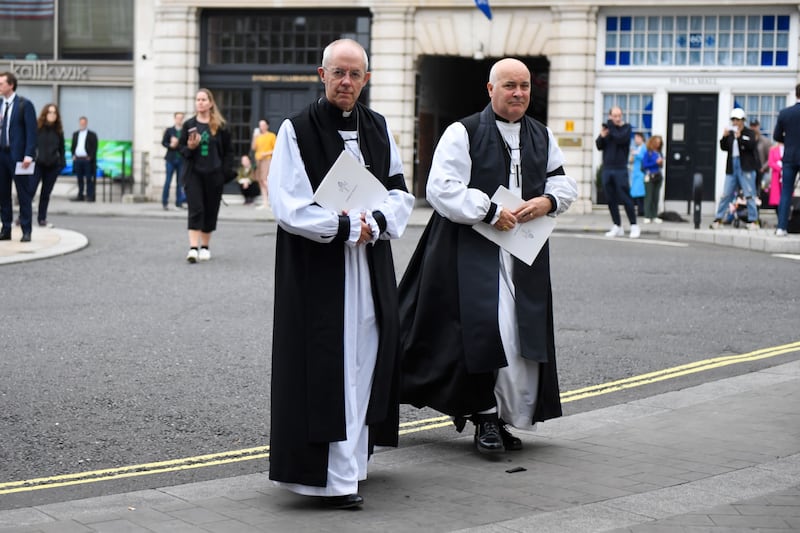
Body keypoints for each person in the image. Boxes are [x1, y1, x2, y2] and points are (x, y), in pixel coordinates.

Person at [398, 58, 577, 458]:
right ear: (490, 89)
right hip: (472, 249)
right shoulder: (463, 131)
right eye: (510, 85)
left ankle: (506, 415)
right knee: (487, 331)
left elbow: (563, 180)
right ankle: (485, 417)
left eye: (525, 86)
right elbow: (442, 187)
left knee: (518, 335)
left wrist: (548, 200)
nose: (518, 93)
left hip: (523, 252)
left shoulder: (542, 134)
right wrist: (490, 211)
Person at [268, 38, 414, 509]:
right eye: (338, 73)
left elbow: (397, 188)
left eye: (355, 75)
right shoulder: (297, 129)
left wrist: (380, 220)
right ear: (322, 75)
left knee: (366, 359)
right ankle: (326, 479)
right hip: (321, 266)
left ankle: (352, 464)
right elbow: (288, 204)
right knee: (327, 364)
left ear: (366, 80)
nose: (346, 82)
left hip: (368, 264)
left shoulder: (378, 126)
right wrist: (347, 224)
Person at [178, 88, 234, 263]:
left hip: (214, 174)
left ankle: (205, 247)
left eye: (203, 99)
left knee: (210, 210)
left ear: (210, 103)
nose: (200, 102)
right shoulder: (189, 125)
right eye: (197, 99)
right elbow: (181, 150)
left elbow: (228, 152)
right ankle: (193, 248)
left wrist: (223, 173)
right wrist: (191, 148)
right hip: (194, 174)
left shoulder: (221, 126)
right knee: (196, 209)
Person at [0, 71, 37, 242]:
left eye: (1, 83)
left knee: (23, 194)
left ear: (11, 85)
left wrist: (29, 154)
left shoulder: (24, 104)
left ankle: (26, 230)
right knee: (3, 194)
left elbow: (31, 132)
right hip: (2, 155)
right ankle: (6, 228)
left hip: (19, 158)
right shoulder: (0, 104)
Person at [710, 108, 759, 230]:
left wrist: (740, 137)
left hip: (746, 167)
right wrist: (724, 137)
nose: (735, 122)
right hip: (732, 165)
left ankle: (753, 220)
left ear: (743, 120)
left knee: (749, 194)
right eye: (733, 120)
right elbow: (723, 147)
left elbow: (751, 145)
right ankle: (719, 219)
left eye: (737, 120)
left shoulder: (749, 133)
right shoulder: (730, 133)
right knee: (726, 194)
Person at [596, 106, 640, 238]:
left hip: (620, 169)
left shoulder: (626, 128)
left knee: (625, 198)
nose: (617, 118)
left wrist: (610, 126)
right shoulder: (608, 130)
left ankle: (634, 225)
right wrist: (602, 136)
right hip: (607, 168)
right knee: (610, 199)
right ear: (610, 116)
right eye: (614, 116)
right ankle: (617, 225)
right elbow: (599, 145)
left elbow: (619, 138)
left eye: (619, 115)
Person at [772, 84, 800, 237]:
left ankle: (781, 227)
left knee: (786, 192)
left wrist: (788, 141)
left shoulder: (785, 113)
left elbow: (776, 136)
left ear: (796, 94)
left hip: (789, 156)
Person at [33, 104, 66, 228]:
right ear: (45, 113)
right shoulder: (37, 128)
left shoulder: (58, 131)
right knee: (30, 191)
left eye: (54, 113)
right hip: (37, 165)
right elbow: (31, 144)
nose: (52, 114)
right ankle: (22, 217)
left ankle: (42, 219)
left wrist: (61, 164)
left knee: (45, 194)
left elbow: (62, 149)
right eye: (50, 112)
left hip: (52, 166)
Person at [161, 112, 186, 210]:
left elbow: (186, 144)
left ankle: (179, 203)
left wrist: (178, 143)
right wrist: (170, 145)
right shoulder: (169, 130)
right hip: (170, 159)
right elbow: (163, 142)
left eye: (181, 118)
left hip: (181, 159)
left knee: (180, 182)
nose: (179, 120)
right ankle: (164, 202)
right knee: (168, 181)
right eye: (178, 118)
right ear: (175, 119)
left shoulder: (184, 131)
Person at [70, 116, 98, 202]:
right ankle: (80, 195)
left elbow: (94, 147)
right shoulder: (75, 134)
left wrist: (91, 157)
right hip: (78, 159)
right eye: (81, 123)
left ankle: (90, 196)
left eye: (84, 123)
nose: (82, 124)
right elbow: (73, 146)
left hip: (87, 160)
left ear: (86, 123)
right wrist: (73, 155)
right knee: (79, 178)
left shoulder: (92, 135)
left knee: (89, 178)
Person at [251, 119, 276, 209]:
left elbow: (276, 149)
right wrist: (254, 136)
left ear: (267, 126)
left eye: (263, 125)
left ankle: (273, 200)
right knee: (261, 181)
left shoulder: (271, 136)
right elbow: (253, 147)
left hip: (267, 160)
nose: (261, 127)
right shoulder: (258, 136)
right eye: (260, 125)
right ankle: (265, 203)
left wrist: (265, 153)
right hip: (258, 161)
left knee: (266, 181)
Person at [641, 135, 664, 224]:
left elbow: (660, 166)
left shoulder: (659, 153)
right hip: (650, 176)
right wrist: (655, 162)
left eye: (659, 143)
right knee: (649, 197)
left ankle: (654, 215)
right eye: (657, 142)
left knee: (656, 196)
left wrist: (660, 163)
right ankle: (647, 215)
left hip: (658, 176)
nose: (658, 144)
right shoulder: (648, 153)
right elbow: (644, 165)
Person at [750, 119, 771, 198]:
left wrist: (763, 168)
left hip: (762, 170)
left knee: (761, 189)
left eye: (755, 126)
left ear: (758, 126)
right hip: (750, 169)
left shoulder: (765, 141)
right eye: (752, 126)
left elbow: (770, 157)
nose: (753, 128)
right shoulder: (748, 139)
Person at [629, 131, 646, 218]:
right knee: (635, 192)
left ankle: (641, 211)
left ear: (641, 138)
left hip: (641, 173)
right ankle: (637, 210)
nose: (635, 140)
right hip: (635, 172)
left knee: (640, 193)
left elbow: (644, 157)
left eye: (636, 138)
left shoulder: (644, 148)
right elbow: (632, 160)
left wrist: (636, 154)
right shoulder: (637, 148)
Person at [767, 141, 783, 209]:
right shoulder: (773, 149)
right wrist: (779, 167)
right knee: (776, 197)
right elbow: (770, 162)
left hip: (786, 175)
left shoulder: (789, 149)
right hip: (776, 175)